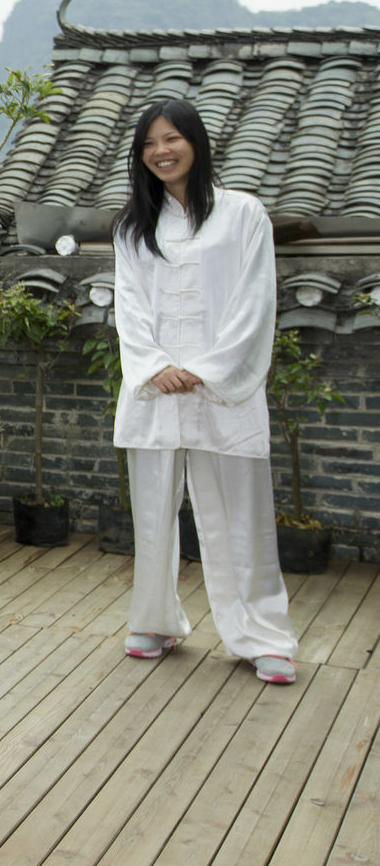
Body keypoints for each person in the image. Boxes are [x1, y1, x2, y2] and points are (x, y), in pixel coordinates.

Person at [111, 99, 298, 684]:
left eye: (171, 139)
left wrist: (206, 368)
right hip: (157, 389)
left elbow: (255, 299)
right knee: (153, 511)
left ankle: (261, 634)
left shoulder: (243, 215)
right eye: (149, 145)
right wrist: (156, 365)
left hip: (223, 390)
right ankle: (155, 619)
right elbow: (129, 306)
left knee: (241, 513)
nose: (161, 152)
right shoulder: (134, 228)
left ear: (195, 141)